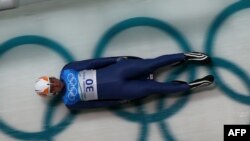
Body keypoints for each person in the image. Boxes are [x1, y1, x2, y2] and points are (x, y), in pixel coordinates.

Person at [35, 52, 214, 110]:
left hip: (116, 71)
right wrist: (119, 101)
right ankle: (196, 84)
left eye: (52, 81)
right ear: (53, 94)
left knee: (153, 63)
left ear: (52, 77)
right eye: (53, 88)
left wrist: (117, 59)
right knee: (154, 88)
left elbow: (93, 63)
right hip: (121, 91)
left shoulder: (67, 70)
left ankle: (190, 56)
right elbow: (97, 104)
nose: (56, 84)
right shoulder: (70, 103)